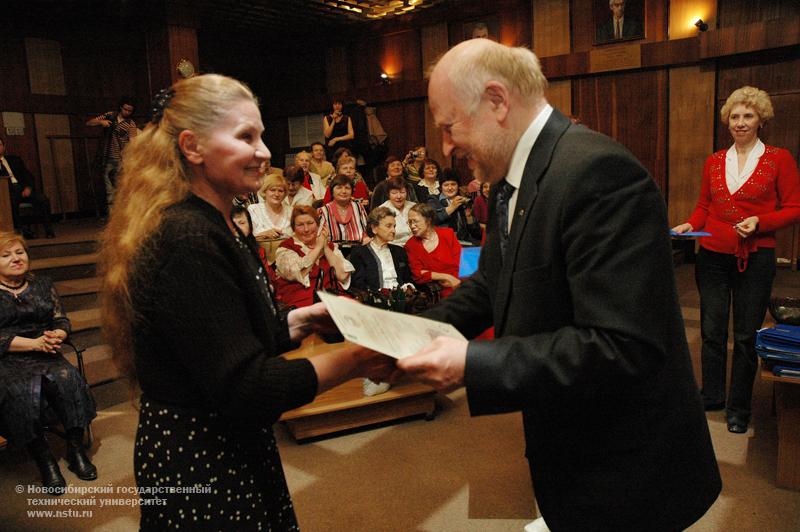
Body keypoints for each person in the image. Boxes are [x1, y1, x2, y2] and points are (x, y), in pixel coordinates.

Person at [397, 39, 721, 531]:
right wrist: (403, 330)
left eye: (448, 126)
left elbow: (622, 346)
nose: (445, 147)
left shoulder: (597, 172)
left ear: (497, 101)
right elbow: (492, 283)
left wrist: (472, 362)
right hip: (572, 451)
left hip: (626, 470)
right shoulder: (514, 176)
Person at [99, 74, 392, 530]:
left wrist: (306, 318)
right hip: (199, 455)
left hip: (224, 441)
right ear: (193, 147)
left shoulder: (214, 222)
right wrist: (359, 358)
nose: (266, 151)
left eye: (262, 135)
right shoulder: (186, 236)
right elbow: (247, 385)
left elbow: (234, 335)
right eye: (245, 137)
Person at [672, 86, 800, 434]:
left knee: (745, 336)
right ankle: (712, 395)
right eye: (734, 117)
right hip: (711, 257)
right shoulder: (714, 161)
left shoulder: (779, 159)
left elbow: (793, 208)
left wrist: (761, 222)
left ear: (761, 120)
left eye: (748, 116)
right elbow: (703, 207)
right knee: (712, 331)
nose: (740, 123)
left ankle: (739, 407)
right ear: (727, 122)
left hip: (756, 259)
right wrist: (690, 224)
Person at [0, 231, 97, 493]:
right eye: (6, 255)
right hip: (8, 358)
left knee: (69, 381)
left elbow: (61, 319)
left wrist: (60, 334)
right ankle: (46, 462)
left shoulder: (43, 284)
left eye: (20, 252)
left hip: (47, 351)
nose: (16, 258)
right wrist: (32, 343)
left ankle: (76, 451)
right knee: (19, 393)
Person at [349, 206, 414, 397]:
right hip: (375, 300)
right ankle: (379, 374)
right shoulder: (359, 253)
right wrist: (379, 297)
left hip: (400, 299)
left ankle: (396, 370)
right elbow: (358, 284)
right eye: (388, 226)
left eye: (394, 226)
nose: (393, 230)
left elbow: (407, 278)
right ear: (375, 228)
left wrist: (407, 288)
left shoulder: (399, 251)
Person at [274, 205, 355, 309]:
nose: (306, 229)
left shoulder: (329, 246)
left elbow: (342, 276)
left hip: (332, 296)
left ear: (318, 224)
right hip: (301, 300)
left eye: (310, 223)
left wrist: (325, 248)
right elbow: (297, 272)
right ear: (294, 228)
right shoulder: (286, 247)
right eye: (300, 225)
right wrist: (318, 247)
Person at [86, 96, 138, 208]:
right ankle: (112, 216)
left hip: (121, 158)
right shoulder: (110, 115)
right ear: (121, 107)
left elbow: (134, 142)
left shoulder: (131, 123)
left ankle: (121, 215)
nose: (127, 112)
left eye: (130, 110)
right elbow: (89, 123)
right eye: (125, 109)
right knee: (109, 190)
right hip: (106, 156)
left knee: (122, 188)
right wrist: (101, 122)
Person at [0, 137, 55, 239]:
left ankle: (49, 230)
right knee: (10, 203)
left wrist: (28, 187)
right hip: (6, 193)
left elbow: (28, 175)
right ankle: (22, 231)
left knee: (43, 199)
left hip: (22, 189)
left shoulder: (15, 160)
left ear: (4, 147)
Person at [404, 203, 461, 299]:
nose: (412, 226)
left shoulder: (448, 234)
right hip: (439, 290)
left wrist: (456, 280)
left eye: (415, 221)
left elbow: (460, 262)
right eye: (409, 222)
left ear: (428, 220)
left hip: (460, 282)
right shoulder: (411, 245)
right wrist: (447, 277)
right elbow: (417, 274)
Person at [430, 168, 482, 245]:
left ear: (458, 186)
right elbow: (432, 219)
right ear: (441, 187)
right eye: (446, 185)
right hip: (441, 243)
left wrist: (469, 218)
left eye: (453, 184)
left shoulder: (464, 201)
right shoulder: (433, 199)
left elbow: (477, 234)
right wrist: (452, 207)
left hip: (464, 243)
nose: (450, 188)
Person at [318, 175, 370, 245]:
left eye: (347, 188)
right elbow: (319, 237)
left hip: (358, 249)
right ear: (332, 191)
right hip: (333, 251)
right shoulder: (323, 211)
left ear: (352, 191)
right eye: (339, 188)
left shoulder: (359, 207)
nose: (343, 191)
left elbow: (367, 231)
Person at [248, 173, 292, 240]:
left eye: (280, 191)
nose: (276, 194)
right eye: (273, 190)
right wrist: (262, 235)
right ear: (265, 191)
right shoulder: (253, 210)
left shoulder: (292, 212)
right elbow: (246, 238)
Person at [380, 176, 416, 245]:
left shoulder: (414, 207)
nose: (399, 196)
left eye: (402, 192)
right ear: (388, 194)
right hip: (394, 248)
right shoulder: (381, 210)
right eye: (394, 193)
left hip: (416, 246)